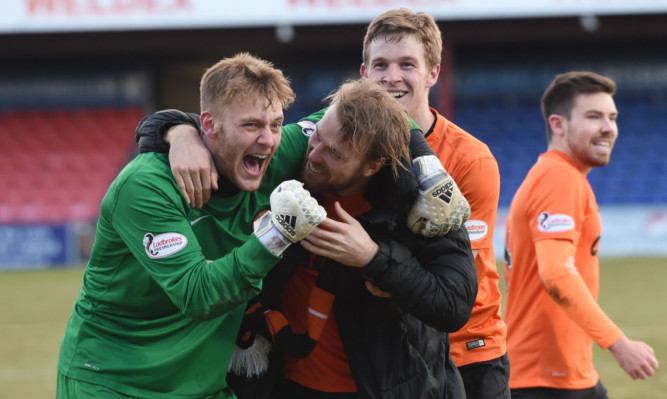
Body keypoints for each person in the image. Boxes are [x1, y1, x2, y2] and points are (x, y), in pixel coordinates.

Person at [136, 78, 478, 398]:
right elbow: (222, 131)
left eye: (335, 154)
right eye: (317, 138)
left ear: (373, 165)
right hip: (286, 385)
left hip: (385, 388)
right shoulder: (287, 168)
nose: (314, 156)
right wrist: (179, 133)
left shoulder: (423, 203)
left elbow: (454, 305)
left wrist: (373, 258)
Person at [56, 53, 328, 398]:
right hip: (113, 381)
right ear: (210, 126)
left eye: (275, 124)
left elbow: (359, 113)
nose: (268, 140)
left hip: (201, 385)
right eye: (250, 125)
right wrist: (278, 233)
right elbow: (199, 295)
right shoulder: (146, 185)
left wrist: (420, 162)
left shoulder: (273, 155)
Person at [359, 9, 509, 399]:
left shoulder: (471, 160)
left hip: (468, 348)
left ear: (433, 74)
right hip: (393, 352)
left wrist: (373, 264)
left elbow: (456, 277)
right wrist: (179, 127)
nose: (392, 77)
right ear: (363, 73)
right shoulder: (343, 146)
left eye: (407, 64)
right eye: (381, 65)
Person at [503, 71, 659, 399]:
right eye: (594, 117)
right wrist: (618, 343)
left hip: (559, 374)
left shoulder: (555, 175)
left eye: (612, 117)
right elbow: (557, 274)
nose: (609, 128)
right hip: (545, 379)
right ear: (558, 125)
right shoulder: (560, 178)